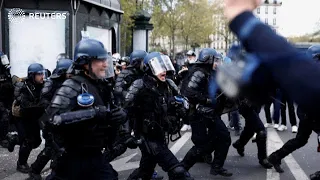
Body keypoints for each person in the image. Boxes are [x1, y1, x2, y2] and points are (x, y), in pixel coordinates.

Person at [45, 39, 127, 179]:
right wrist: (93, 113)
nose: (106, 64)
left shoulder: (101, 86)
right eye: (100, 60)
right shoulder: (71, 86)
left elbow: (111, 110)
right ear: (85, 63)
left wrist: (119, 115)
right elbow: (53, 119)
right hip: (73, 158)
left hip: (94, 154)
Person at [125, 52, 193, 180]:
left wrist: (179, 106)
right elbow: (125, 110)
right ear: (149, 69)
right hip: (147, 138)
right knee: (178, 172)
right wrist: (127, 134)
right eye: (159, 67)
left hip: (161, 134)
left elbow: (182, 104)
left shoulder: (168, 84)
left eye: (164, 66)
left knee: (145, 171)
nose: (164, 70)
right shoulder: (139, 85)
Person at [181, 48, 232, 177]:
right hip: (199, 114)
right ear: (208, 59)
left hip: (211, 114)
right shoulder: (199, 72)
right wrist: (207, 100)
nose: (218, 63)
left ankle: (216, 167)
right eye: (216, 60)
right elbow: (189, 92)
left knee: (223, 137)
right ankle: (181, 169)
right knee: (202, 145)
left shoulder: (212, 72)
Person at [26, 58, 73, 180]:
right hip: (50, 120)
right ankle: (39, 171)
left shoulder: (70, 82)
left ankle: (36, 170)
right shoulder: (51, 82)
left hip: (63, 120)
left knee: (53, 148)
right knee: (53, 148)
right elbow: (44, 101)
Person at [8, 63, 45, 173]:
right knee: (28, 140)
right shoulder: (25, 88)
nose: (42, 76)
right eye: (39, 74)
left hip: (32, 116)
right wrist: (42, 105)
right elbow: (26, 106)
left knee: (37, 141)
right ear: (32, 75)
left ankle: (14, 139)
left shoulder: (42, 85)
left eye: (42, 73)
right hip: (21, 116)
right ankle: (21, 163)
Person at [0, 52, 14, 148]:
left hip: (5, 99)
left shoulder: (5, 72)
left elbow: (9, 85)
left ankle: (3, 136)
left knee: (5, 117)